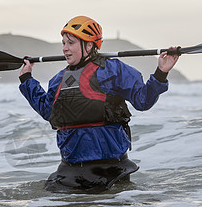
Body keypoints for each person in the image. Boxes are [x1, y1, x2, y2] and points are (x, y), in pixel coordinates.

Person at [19, 16, 179, 192]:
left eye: (71, 43)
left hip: (112, 170)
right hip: (71, 171)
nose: (65, 48)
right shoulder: (58, 80)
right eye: (63, 43)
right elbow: (48, 111)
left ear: (89, 45)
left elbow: (143, 101)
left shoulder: (113, 71)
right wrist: (27, 79)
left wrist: (161, 72)